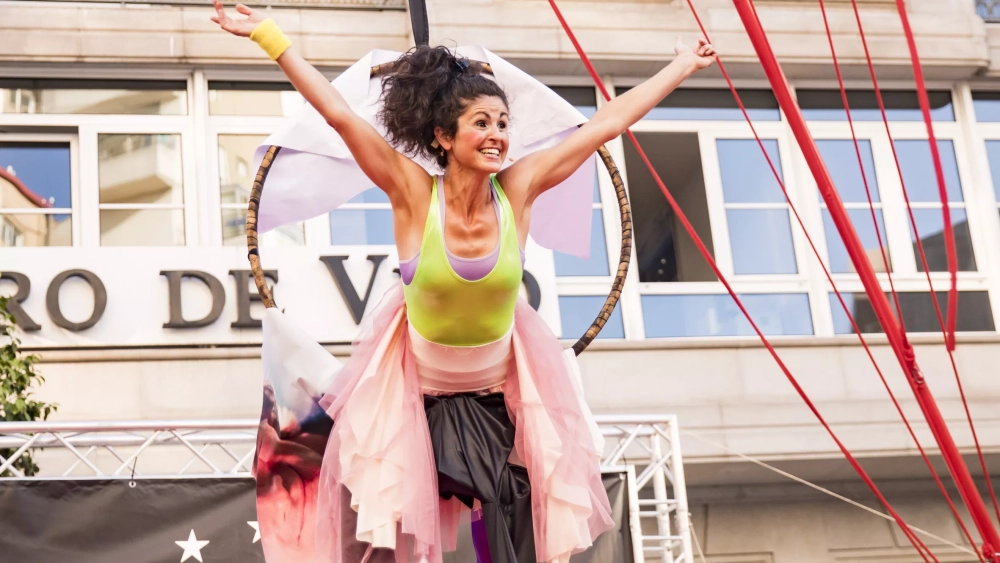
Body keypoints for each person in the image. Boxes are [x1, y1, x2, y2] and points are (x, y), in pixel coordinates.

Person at [211, 3, 716, 562]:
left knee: (513, 517)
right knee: (385, 526)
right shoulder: (411, 192)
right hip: (416, 398)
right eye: (482, 123)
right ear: (444, 137)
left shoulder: (519, 188)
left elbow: (605, 124)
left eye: (502, 123)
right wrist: (267, 35)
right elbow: (339, 115)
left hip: (499, 394)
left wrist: (683, 66)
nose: (497, 135)